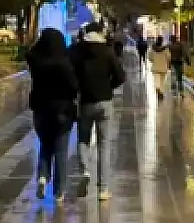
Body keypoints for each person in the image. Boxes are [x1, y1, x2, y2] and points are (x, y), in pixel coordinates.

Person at [71, 22, 125, 200]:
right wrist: (108, 87)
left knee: (83, 139)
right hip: (105, 102)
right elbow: (120, 76)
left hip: (85, 102)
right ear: (100, 32)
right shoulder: (107, 51)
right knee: (104, 145)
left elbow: (69, 74)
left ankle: (85, 170)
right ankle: (103, 189)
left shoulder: (77, 51)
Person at [25, 29, 79, 201]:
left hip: (40, 110)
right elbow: (73, 87)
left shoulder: (36, 62)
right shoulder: (64, 63)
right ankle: (59, 191)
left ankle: (42, 177)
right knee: (61, 151)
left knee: (45, 145)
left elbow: (30, 52)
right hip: (62, 111)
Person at [147, 36, 171, 101]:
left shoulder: (152, 48)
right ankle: (160, 91)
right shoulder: (165, 49)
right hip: (163, 67)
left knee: (156, 80)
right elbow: (168, 57)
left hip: (155, 67)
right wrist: (167, 63)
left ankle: (157, 88)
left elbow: (149, 57)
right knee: (162, 81)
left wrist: (154, 60)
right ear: (162, 41)